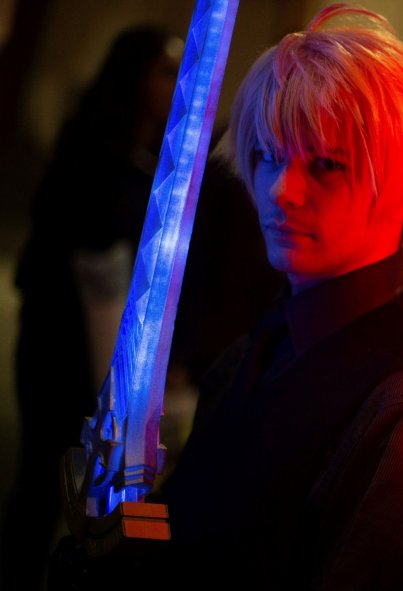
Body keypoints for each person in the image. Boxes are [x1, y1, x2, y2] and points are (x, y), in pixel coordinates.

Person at [146, 4, 403, 590]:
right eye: (269, 156)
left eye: (327, 164)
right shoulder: (267, 336)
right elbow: (185, 517)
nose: (282, 190)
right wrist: (120, 532)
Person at [2, 24, 182, 591]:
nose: (176, 84)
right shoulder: (96, 151)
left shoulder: (146, 158)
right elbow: (90, 258)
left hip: (99, 352)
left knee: (82, 499)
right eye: (166, 70)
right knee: (42, 483)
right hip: (61, 343)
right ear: (134, 75)